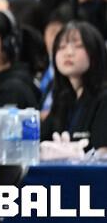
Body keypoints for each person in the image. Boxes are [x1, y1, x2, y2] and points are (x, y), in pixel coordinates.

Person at [42, 21, 107, 152]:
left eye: (78, 46)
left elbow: (103, 153)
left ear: (95, 52)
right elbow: (40, 141)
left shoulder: (103, 97)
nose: (68, 53)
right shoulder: (62, 98)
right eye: (61, 47)